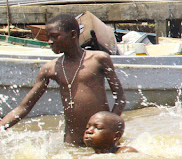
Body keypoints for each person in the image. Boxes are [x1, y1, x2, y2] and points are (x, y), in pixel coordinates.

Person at [0, 14, 126, 146]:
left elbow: (120, 98)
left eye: (54, 36)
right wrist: (2, 126)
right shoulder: (49, 69)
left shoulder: (98, 59)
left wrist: (109, 129)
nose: (49, 41)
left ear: (72, 35)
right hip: (72, 141)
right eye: (48, 37)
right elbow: (24, 107)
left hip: (102, 139)